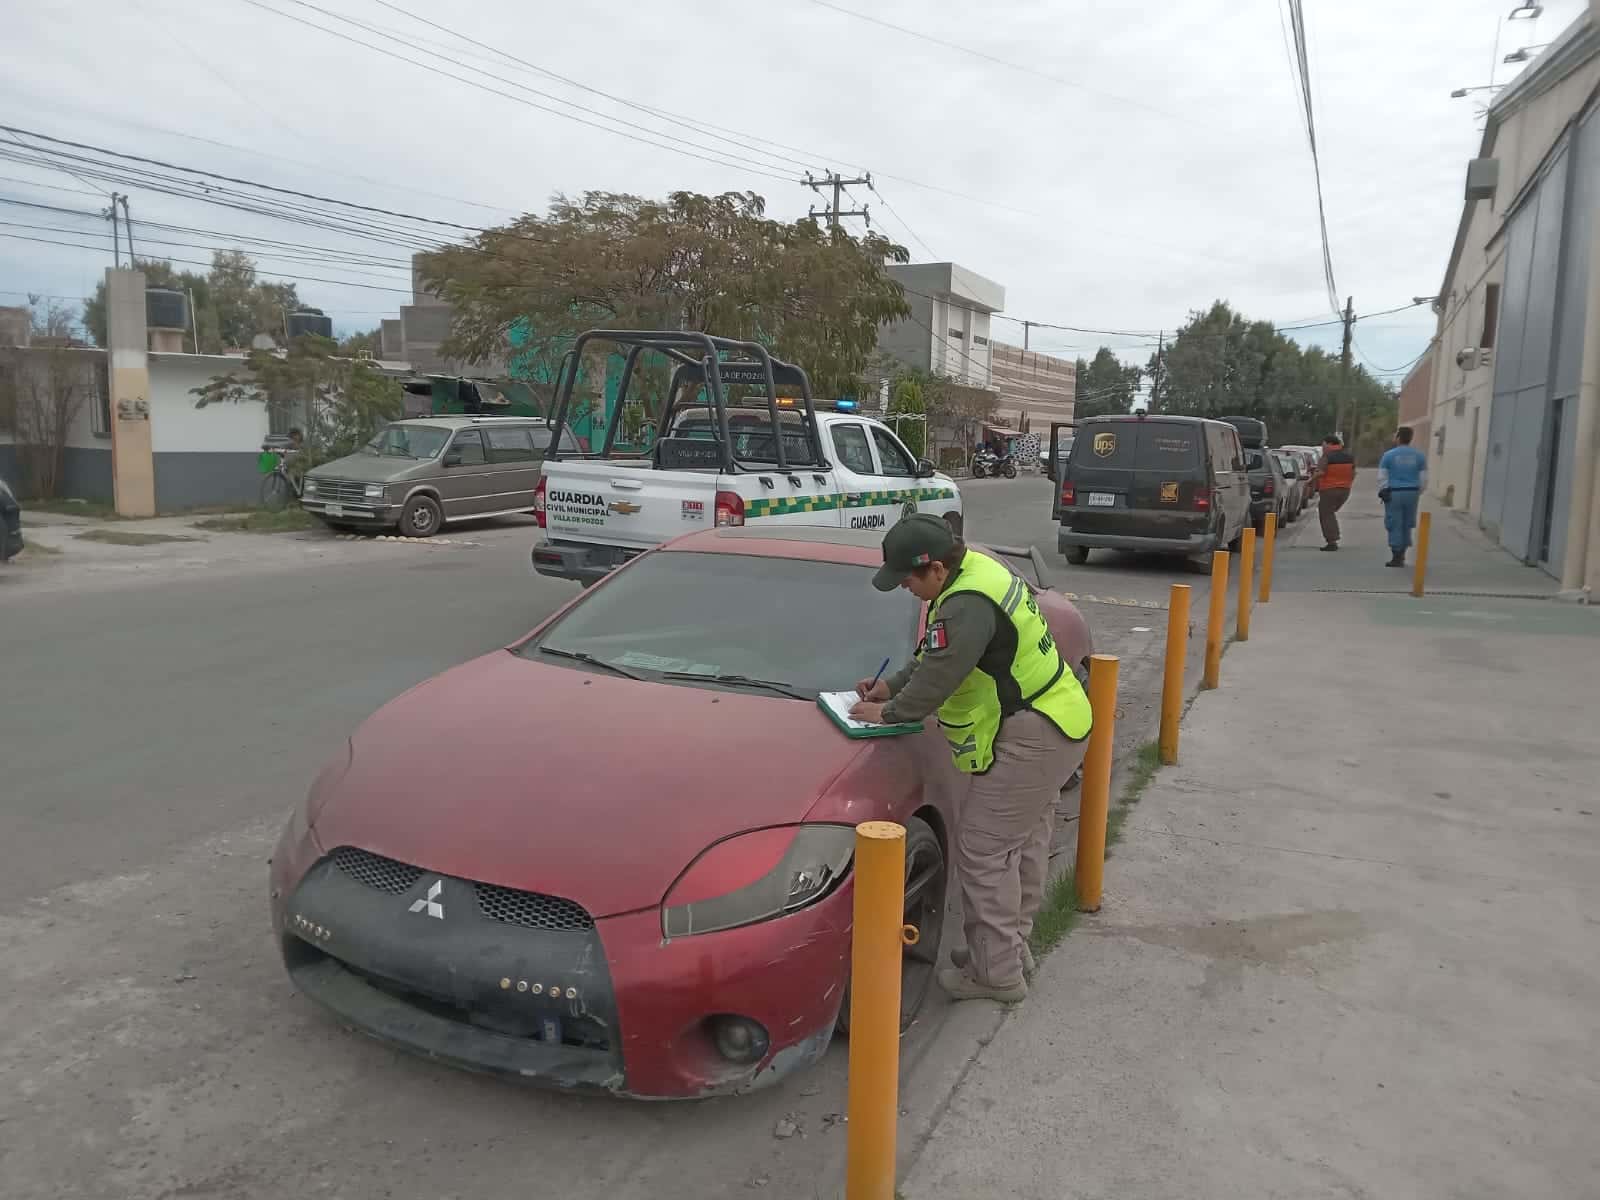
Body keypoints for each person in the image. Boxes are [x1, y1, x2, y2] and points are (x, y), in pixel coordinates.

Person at [851, 514, 1092, 1003]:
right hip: (1059, 717)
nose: (906, 589)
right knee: (1020, 843)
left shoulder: (966, 604)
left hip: (1037, 732)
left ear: (935, 568)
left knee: (982, 850)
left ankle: (996, 975)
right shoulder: (975, 572)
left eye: (907, 579)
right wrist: (891, 683)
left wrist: (883, 710)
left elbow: (936, 681)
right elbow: (934, 654)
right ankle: (1005, 949)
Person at [1377, 426, 1428, 567]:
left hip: (1395, 492)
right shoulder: (1419, 456)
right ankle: (1403, 553)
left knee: (1394, 522)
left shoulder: (1389, 455)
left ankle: (1396, 556)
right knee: (1407, 522)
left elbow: (1382, 476)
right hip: (1412, 492)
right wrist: (1418, 492)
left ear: (1398, 437)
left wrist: (1384, 489)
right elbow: (1423, 478)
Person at [1315, 434, 1356, 551]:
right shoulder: (1349, 456)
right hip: (1345, 490)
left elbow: (1320, 472)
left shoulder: (1327, 456)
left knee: (1326, 513)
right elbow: (1353, 473)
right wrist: (1347, 483)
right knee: (1330, 512)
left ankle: (1332, 541)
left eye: (1323, 445)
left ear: (1330, 444)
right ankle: (1333, 537)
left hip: (1329, 489)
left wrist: (1310, 480)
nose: (1322, 448)